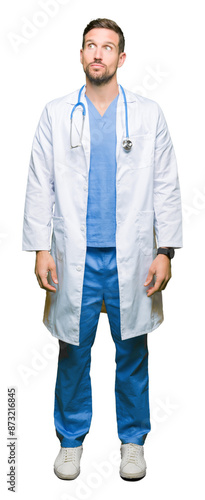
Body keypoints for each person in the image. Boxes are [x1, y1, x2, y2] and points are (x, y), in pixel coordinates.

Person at [22, 18, 183, 481]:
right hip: (74, 257)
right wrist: (40, 248)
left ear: (121, 58)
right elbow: (40, 185)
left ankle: (132, 441)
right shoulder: (56, 114)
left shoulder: (149, 115)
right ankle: (70, 441)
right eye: (90, 45)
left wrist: (165, 251)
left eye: (107, 47)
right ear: (80, 55)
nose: (98, 54)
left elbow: (167, 186)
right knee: (72, 350)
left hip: (132, 257)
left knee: (132, 351)